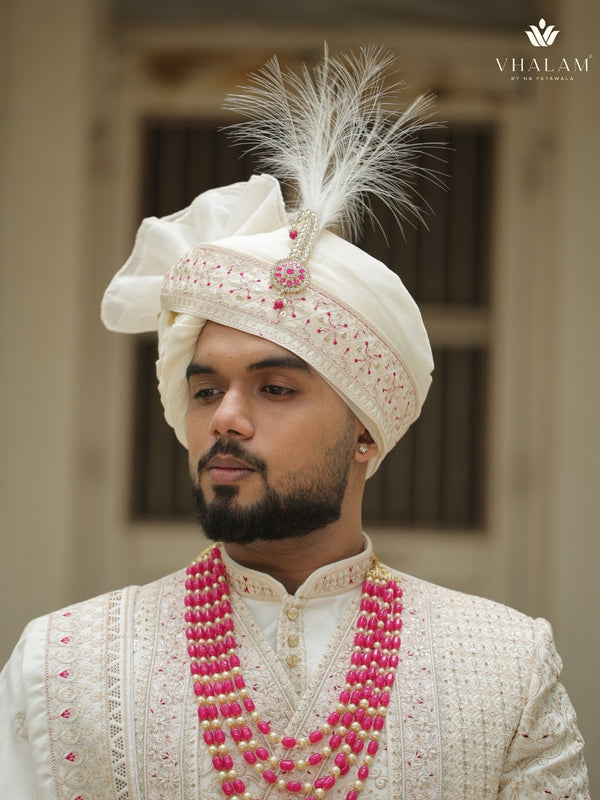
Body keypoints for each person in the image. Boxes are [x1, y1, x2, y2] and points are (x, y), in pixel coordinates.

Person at [0, 47, 589, 800]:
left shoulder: (507, 668)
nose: (226, 420)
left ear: (367, 433)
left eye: (275, 388)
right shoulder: (61, 666)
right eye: (206, 390)